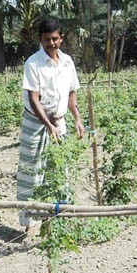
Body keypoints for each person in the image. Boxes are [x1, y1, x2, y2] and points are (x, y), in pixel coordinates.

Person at [16, 17, 85, 238]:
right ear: (40, 39)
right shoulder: (33, 63)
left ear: (61, 38)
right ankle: (30, 223)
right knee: (31, 172)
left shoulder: (67, 62)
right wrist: (48, 125)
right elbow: (34, 99)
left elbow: (71, 93)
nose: (51, 43)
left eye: (55, 39)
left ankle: (58, 217)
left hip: (59, 122)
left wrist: (77, 119)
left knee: (60, 170)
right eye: (47, 40)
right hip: (36, 123)